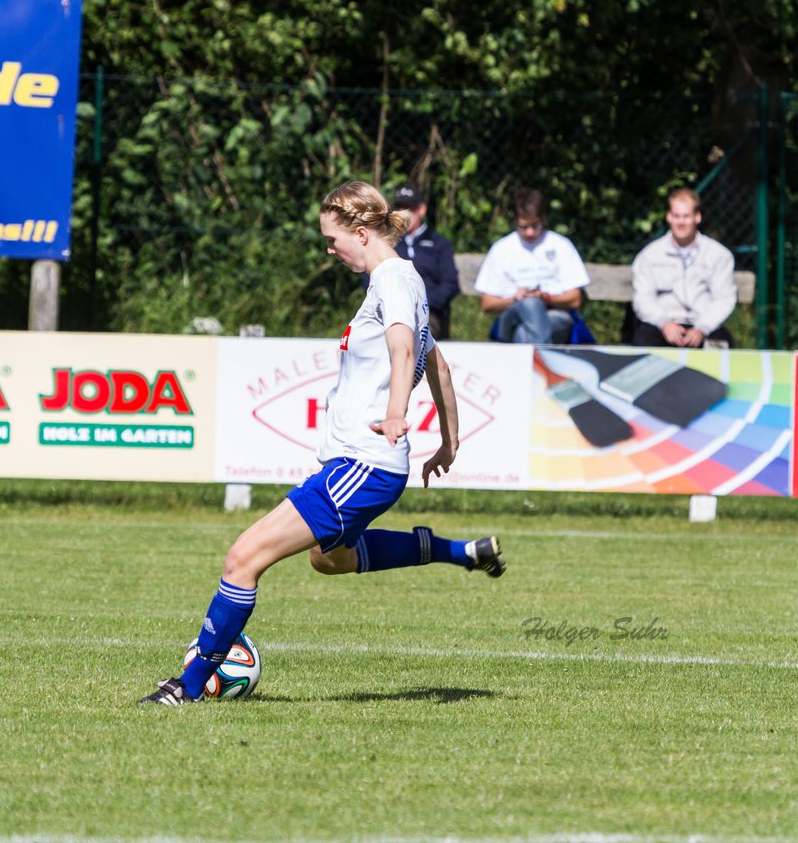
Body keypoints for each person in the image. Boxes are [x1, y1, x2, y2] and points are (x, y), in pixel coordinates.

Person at [140, 180, 504, 705]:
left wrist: (397, 413)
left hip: (365, 463)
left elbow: (406, 351)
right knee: (328, 559)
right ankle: (458, 551)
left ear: (361, 232)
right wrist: (449, 441)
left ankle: (186, 688)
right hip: (364, 467)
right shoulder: (402, 281)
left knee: (243, 558)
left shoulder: (392, 280)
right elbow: (439, 366)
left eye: (333, 240)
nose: (329, 250)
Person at [474, 187, 590, 345]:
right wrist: (516, 298)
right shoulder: (502, 248)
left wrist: (546, 298)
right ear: (514, 220)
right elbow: (487, 304)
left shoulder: (560, 245)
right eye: (523, 227)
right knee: (529, 304)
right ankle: (542, 365)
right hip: (510, 316)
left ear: (543, 218)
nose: (529, 232)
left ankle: (526, 367)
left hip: (554, 314)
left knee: (524, 333)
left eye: (535, 226)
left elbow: (575, 300)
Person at [629, 188, 736, 348]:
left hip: (704, 326)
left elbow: (724, 299)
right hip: (662, 326)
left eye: (686, 216)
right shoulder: (649, 255)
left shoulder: (719, 255)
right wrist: (664, 323)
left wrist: (702, 328)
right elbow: (643, 299)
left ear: (697, 217)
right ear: (669, 217)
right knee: (643, 340)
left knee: (721, 346)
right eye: (676, 216)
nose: (681, 222)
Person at [388, 184, 460, 342]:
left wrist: (423, 302)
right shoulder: (387, 244)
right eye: (400, 209)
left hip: (429, 313)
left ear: (422, 209)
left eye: (410, 209)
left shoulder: (439, 244)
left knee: (417, 330)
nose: (404, 214)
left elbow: (450, 284)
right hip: (392, 311)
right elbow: (370, 280)